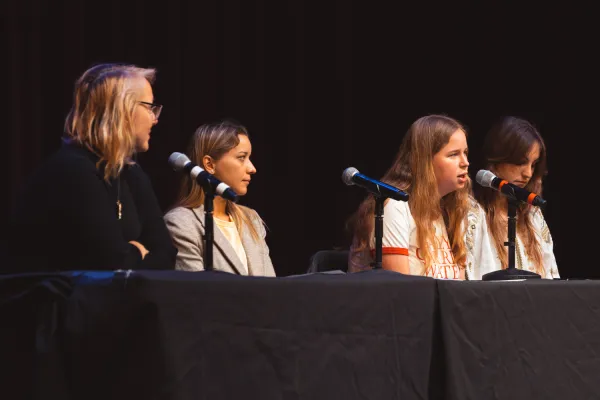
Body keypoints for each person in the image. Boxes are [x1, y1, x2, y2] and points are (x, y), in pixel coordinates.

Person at [6, 63, 177, 273]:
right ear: (121, 109)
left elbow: (166, 256)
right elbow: (112, 265)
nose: (155, 118)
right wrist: (136, 252)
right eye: (149, 107)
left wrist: (132, 254)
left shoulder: (132, 174)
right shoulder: (73, 170)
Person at [348, 114, 489, 280]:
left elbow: (457, 289)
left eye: (465, 153)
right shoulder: (394, 207)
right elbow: (402, 291)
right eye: (453, 154)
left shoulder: (450, 211)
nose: (465, 162)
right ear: (425, 160)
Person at [164, 120, 275, 276]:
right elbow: (195, 293)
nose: (252, 168)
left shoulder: (251, 220)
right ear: (209, 164)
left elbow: (271, 286)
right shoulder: (181, 224)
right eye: (242, 157)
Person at [471, 116, 559, 279]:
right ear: (496, 160)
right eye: (520, 162)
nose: (528, 173)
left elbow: (551, 277)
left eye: (533, 165)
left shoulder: (533, 215)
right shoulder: (472, 214)